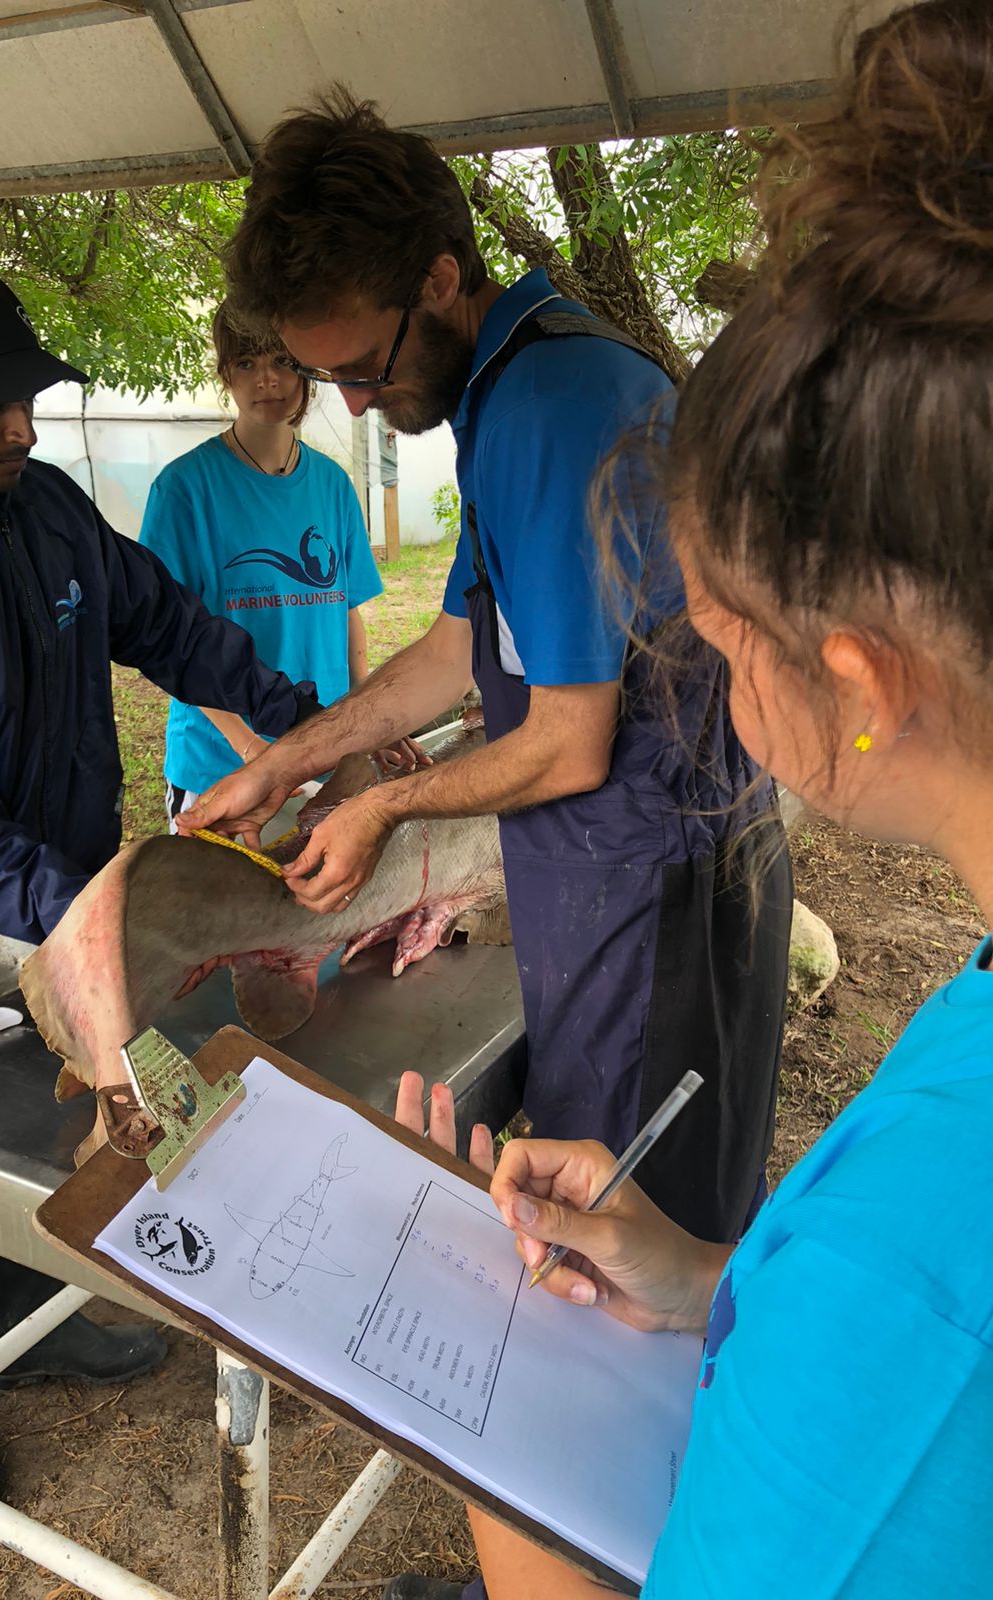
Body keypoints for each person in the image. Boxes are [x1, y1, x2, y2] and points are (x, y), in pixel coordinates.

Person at [393, 3, 993, 1596]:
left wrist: (488, 1422)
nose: (710, 705)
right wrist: (715, 1280)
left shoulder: (922, 1251)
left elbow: (904, 1340)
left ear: (858, 685)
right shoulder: (961, 1039)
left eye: (718, 644)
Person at [184, 90, 792, 1250]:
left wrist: (387, 804)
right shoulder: (509, 384)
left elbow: (570, 739)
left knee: (625, 1232)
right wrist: (298, 759)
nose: (356, 404)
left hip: (648, 880)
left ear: (442, 277)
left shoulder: (549, 412)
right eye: (333, 383)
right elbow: (460, 646)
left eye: (363, 367)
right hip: (624, 866)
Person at [0, 259, 323, 1544]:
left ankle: (24, 1332)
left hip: (44, 874)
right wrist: (113, 910)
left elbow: (173, 627)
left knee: (41, 1101)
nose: (21, 428)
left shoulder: (47, 511)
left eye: (30, 398)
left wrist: (311, 738)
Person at [139, 303, 385, 827]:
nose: (268, 380)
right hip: (224, 771)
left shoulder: (334, 485)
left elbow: (344, 612)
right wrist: (254, 752)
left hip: (327, 757)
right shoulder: (184, 491)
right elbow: (165, 640)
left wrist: (368, 716)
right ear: (226, 372)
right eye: (247, 363)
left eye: (282, 360)